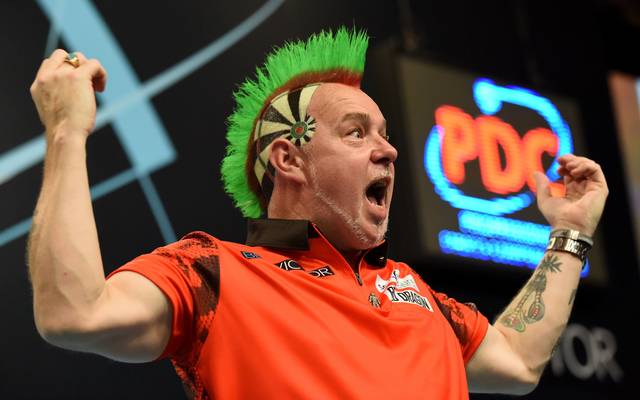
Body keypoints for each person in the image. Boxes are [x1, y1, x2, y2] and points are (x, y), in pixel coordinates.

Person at [28, 28, 608, 399]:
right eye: (357, 133)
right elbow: (74, 313)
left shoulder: (421, 298)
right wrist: (66, 132)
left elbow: (518, 361)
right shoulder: (212, 274)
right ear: (289, 158)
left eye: (385, 134)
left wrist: (569, 234)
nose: (389, 151)